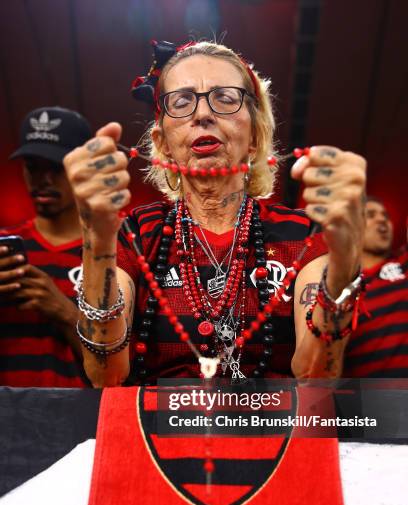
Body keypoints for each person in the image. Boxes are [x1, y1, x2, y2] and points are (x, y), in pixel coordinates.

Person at [64, 40, 367, 386]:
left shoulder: (302, 233)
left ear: (254, 135)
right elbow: (106, 373)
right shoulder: (136, 233)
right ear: (162, 144)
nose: (202, 114)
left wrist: (345, 262)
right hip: (154, 435)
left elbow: (316, 373)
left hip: (276, 434)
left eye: (225, 98)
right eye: (181, 101)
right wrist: (96, 238)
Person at [0, 106, 92, 387]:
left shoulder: (116, 249)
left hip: (84, 421)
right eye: (33, 167)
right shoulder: (5, 249)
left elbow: (130, 366)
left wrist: (64, 311)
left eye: (55, 168)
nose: (43, 180)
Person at [344, 197, 408, 377]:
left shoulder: (404, 263)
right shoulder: (338, 288)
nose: (382, 220)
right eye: (370, 215)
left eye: (385, 216)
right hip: (370, 400)